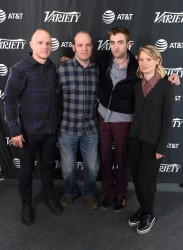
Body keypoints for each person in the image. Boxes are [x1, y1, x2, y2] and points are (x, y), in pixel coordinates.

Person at [97, 26, 179, 212]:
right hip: (103, 116)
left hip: (124, 120)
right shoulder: (103, 59)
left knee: (122, 160)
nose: (116, 47)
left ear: (128, 44)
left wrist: (170, 78)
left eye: (120, 42)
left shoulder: (136, 66)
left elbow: (154, 76)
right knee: (105, 159)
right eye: (112, 42)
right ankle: (109, 192)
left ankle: (121, 194)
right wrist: (67, 59)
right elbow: (85, 60)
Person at [3, 29, 62, 225]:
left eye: (48, 43)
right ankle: (26, 203)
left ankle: (48, 197)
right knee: (27, 170)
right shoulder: (20, 69)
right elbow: (9, 99)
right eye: (40, 43)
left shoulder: (53, 68)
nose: (45, 47)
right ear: (31, 44)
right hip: (28, 132)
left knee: (47, 168)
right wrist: (15, 130)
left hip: (50, 130)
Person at [128, 45, 174, 234]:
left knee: (147, 181)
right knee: (137, 179)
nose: (144, 62)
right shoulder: (137, 86)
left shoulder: (166, 86)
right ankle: (142, 207)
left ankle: (149, 213)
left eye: (149, 59)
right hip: (135, 138)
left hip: (153, 142)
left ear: (157, 61)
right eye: (141, 59)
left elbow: (168, 119)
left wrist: (161, 146)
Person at [56, 31, 100, 210]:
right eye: (80, 45)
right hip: (67, 128)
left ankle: (89, 193)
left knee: (93, 168)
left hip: (91, 128)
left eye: (88, 45)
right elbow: (54, 98)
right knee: (67, 169)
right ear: (74, 47)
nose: (84, 48)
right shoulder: (61, 69)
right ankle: (70, 192)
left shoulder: (98, 70)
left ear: (92, 47)